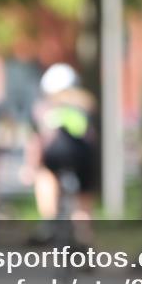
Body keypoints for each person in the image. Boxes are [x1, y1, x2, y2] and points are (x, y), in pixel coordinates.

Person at [25, 63, 97, 244]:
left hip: (54, 154)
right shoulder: (86, 103)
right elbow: (91, 135)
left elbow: (37, 141)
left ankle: (49, 220)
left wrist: (31, 167)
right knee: (83, 198)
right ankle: (84, 236)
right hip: (82, 154)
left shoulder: (43, 106)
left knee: (45, 176)